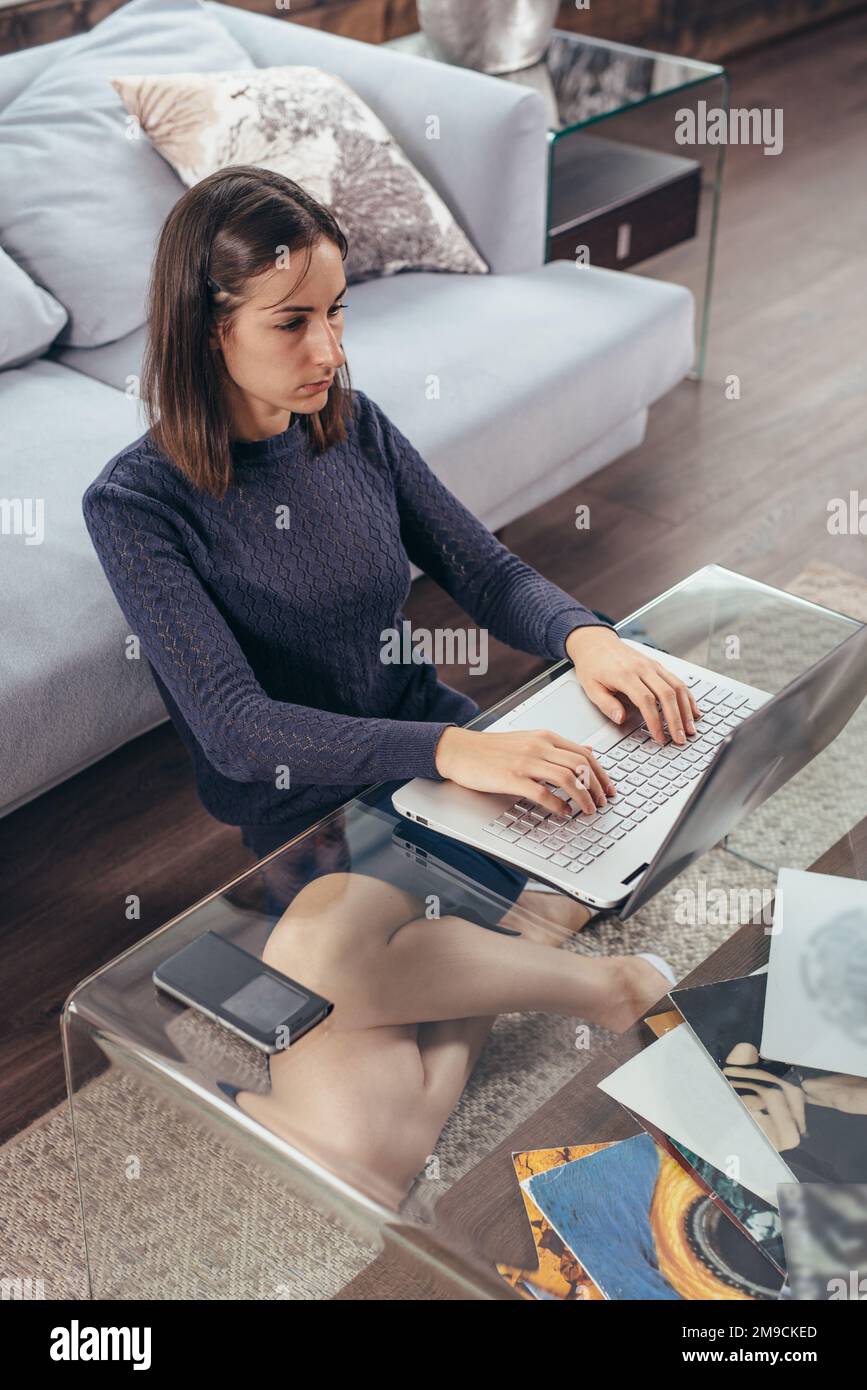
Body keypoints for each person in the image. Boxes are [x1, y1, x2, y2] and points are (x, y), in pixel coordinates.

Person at [83, 167, 699, 1175]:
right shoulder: (138, 506)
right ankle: (557, 959)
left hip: (454, 787)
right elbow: (238, 726)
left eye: (337, 313)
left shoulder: (351, 423)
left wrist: (588, 636)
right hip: (317, 822)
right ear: (209, 331)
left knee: (326, 978)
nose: (327, 351)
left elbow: (483, 566)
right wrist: (455, 747)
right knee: (366, 1145)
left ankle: (545, 957)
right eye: (292, 323)